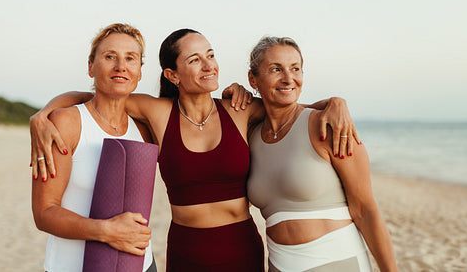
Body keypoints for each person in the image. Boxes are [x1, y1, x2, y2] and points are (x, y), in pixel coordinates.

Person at [30, 29, 359, 271]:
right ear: (172, 74)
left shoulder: (240, 109)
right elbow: (101, 94)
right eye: (195, 59)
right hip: (187, 250)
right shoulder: (157, 112)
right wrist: (43, 115)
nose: (209, 65)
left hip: (240, 248)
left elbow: (291, 109)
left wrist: (335, 103)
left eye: (211, 55)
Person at [246, 36, 398, 271]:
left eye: (295, 68)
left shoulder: (330, 126)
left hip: (338, 263)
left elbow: (365, 210)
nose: (288, 78)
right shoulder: (250, 136)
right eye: (276, 69)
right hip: (279, 265)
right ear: (252, 79)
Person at [31, 24, 157, 271]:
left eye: (130, 58)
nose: (121, 66)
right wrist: (106, 231)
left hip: (142, 265)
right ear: (91, 66)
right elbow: (44, 212)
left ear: (140, 71)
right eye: (110, 56)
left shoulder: (145, 129)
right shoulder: (66, 123)